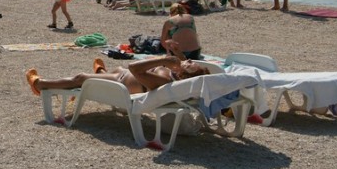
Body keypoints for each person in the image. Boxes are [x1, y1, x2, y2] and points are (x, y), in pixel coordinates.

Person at [25, 55, 208, 96]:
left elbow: (135, 67)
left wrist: (164, 59)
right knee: (117, 69)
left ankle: (40, 85)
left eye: (191, 64)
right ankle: (100, 73)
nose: (189, 60)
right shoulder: (173, 76)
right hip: (122, 76)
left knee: (80, 78)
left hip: (120, 84)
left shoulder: (166, 80)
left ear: (185, 76)